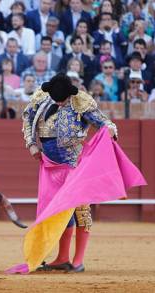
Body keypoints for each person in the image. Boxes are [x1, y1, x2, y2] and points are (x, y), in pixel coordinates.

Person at [23, 73, 117, 273]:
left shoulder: (79, 100)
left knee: (80, 210)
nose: (60, 102)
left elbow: (102, 121)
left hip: (75, 165)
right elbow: (28, 117)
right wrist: (31, 143)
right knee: (55, 210)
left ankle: (78, 261)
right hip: (49, 165)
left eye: (63, 99)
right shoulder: (42, 97)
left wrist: (109, 128)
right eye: (57, 99)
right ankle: (62, 257)